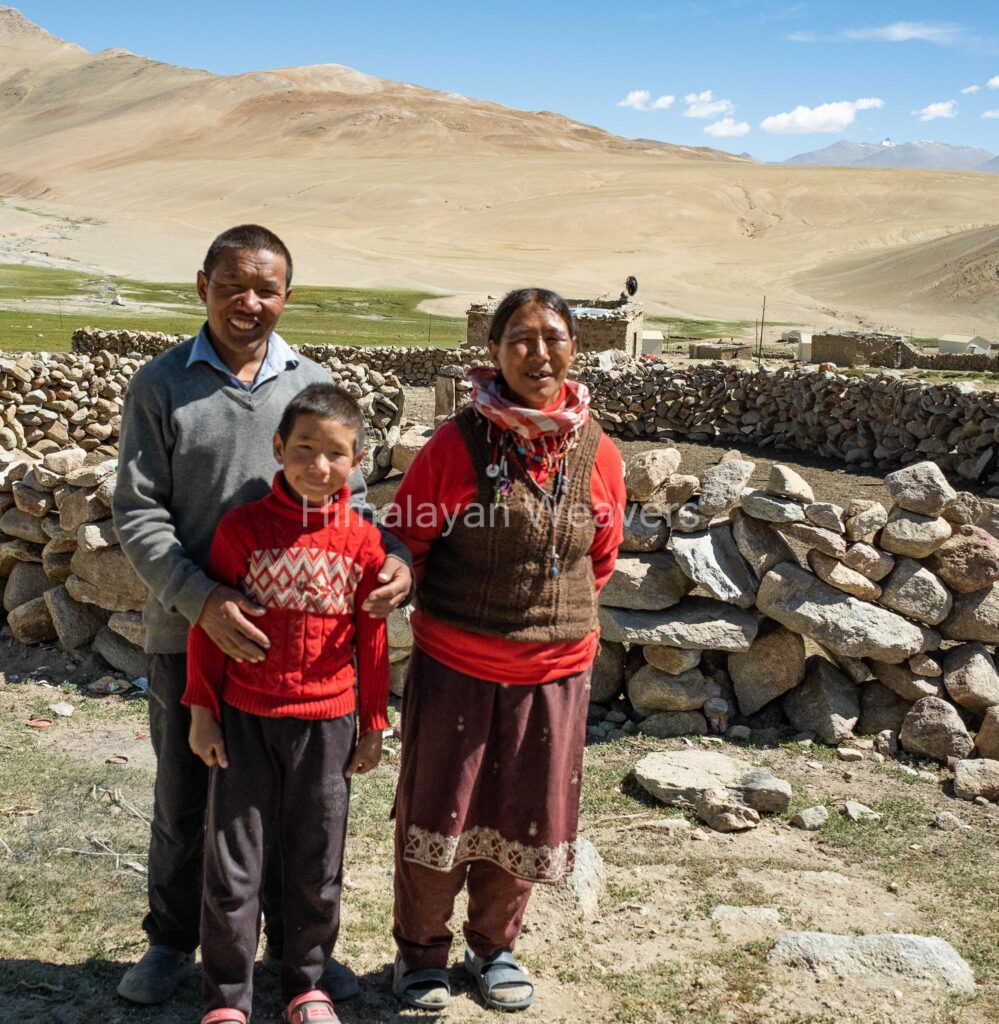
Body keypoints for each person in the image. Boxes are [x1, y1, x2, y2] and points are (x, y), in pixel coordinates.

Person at [112, 225, 411, 1005]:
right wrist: (202, 599)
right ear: (201, 283)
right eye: (232, 284)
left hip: (307, 655)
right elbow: (138, 514)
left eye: (267, 288)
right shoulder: (161, 383)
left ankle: (295, 960)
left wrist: (396, 561)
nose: (249, 303)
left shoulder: (310, 382)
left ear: (287, 294)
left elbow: (351, 499)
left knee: (296, 811)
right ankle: (173, 945)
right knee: (186, 799)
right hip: (189, 633)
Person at [385, 287, 625, 1011]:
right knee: (438, 821)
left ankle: (494, 951)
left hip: (553, 675)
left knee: (522, 822)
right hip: (457, 668)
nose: (537, 352)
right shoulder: (453, 446)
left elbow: (602, 556)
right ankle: (421, 956)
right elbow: (409, 539)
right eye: (519, 338)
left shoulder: (598, 450)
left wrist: (550, 622)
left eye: (552, 337)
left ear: (573, 349)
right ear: (493, 351)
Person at [184, 383, 388, 1024]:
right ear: (278, 447)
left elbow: (371, 638)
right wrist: (201, 709)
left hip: (328, 725)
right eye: (304, 448)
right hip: (244, 720)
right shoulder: (242, 530)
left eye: (335, 454)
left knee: (316, 860)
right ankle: (228, 999)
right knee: (233, 865)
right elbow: (207, 626)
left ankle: (306, 984)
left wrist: (374, 723)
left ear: (356, 463)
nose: (318, 466)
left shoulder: (363, 544)